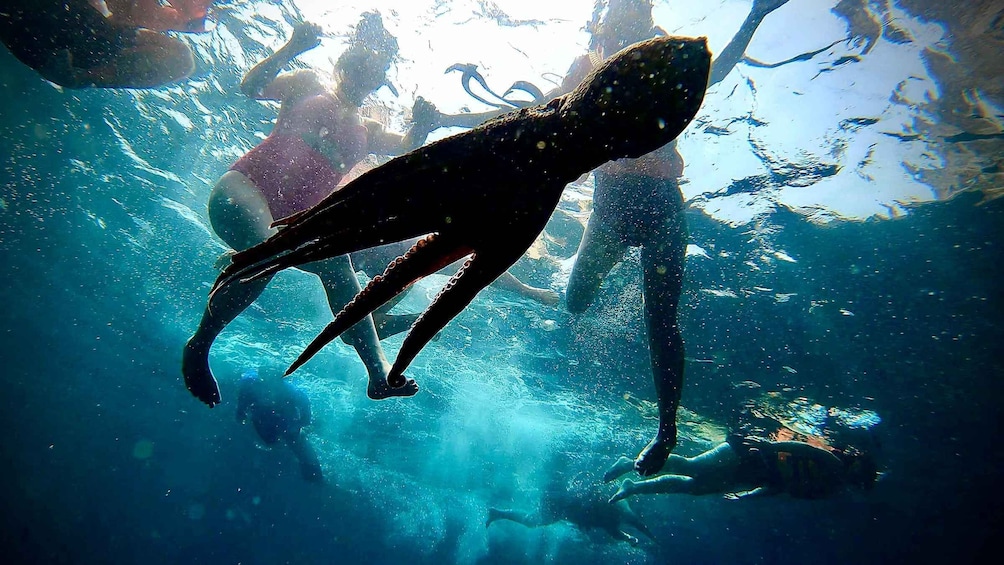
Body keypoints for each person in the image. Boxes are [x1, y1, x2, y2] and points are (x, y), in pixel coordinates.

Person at [409, 0, 789, 476]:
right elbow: (534, 113)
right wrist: (450, 118)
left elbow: (711, 72)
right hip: (610, 209)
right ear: (605, 21)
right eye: (615, 19)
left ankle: (666, 432)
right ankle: (543, 291)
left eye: (632, 15)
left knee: (661, 321)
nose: (620, 25)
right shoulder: (587, 64)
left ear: (644, 16)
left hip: (662, 207)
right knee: (574, 302)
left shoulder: (662, 54)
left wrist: (755, 16)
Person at [184, 14, 557, 409]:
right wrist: (292, 47)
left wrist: (424, 123)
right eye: (359, 65)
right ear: (341, 63)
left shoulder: (369, 130)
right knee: (268, 254)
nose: (364, 76)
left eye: (374, 71)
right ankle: (200, 345)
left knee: (336, 264)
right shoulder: (307, 84)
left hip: (291, 224)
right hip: (245, 188)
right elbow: (251, 86)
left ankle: (378, 375)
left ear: (380, 80)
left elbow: (408, 147)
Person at [606, 434, 879, 503]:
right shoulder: (833, 463)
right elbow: (803, 448)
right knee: (693, 467)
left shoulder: (828, 488)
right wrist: (768, 448)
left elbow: (780, 488)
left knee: (693, 488)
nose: (854, 481)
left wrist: (747, 496)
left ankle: (634, 487)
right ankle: (630, 464)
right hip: (745, 453)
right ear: (857, 466)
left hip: (751, 474)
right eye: (859, 476)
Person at [0, 0, 213, 89]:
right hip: (52, 41)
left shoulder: (101, 35)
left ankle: (84, 74)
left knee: (180, 59)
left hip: (53, 43)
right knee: (180, 59)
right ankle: (84, 74)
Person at [486, 480, 654, 546]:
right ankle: (497, 513)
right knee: (532, 520)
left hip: (562, 505)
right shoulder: (617, 509)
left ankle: (497, 513)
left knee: (531, 521)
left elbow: (615, 532)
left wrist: (629, 538)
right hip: (561, 504)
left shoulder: (614, 517)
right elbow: (626, 527)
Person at [236, 368, 323, 482]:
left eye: (273, 380)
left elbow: (305, 407)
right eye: (266, 378)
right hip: (263, 418)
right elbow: (243, 398)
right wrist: (241, 412)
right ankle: (303, 467)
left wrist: (301, 423)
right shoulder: (251, 384)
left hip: (285, 419)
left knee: (296, 441)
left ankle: (315, 477)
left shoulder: (289, 390)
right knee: (271, 441)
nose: (269, 386)